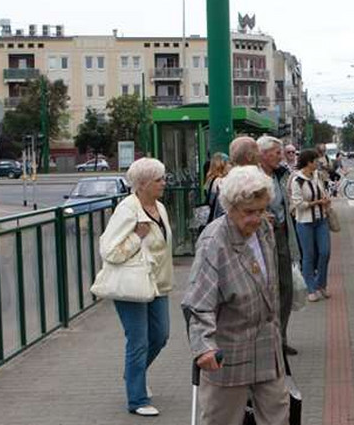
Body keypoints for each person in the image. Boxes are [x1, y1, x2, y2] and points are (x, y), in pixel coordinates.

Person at [183, 165, 289, 425]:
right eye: (249, 212)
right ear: (230, 207)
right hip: (228, 354)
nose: (256, 218)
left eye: (261, 210)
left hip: (267, 348)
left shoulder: (264, 230)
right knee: (222, 420)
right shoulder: (214, 242)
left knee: (279, 416)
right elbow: (198, 303)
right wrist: (204, 348)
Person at [100, 157, 174, 416]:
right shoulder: (127, 209)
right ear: (142, 184)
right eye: (159, 180)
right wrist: (136, 237)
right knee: (138, 341)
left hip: (158, 284)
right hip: (132, 286)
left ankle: (134, 373)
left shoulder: (160, 208)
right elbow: (108, 250)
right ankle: (137, 399)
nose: (164, 183)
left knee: (161, 336)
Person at [258, 135, 298, 355]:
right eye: (276, 152)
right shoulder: (252, 177)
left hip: (281, 234)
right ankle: (269, 340)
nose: (281, 156)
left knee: (286, 288)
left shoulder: (279, 174)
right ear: (263, 154)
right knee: (268, 290)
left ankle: (281, 337)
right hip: (263, 238)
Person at [289, 149, 332, 302]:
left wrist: (326, 200)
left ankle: (321, 284)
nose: (318, 163)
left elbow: (323, 192)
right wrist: (317, 203)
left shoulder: (317, 176)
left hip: (321, 220)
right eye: (316, 161)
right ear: (309, 162)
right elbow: (298, 204)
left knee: (325, 252)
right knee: (309, 255)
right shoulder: (297, 180)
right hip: (305, 222)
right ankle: (311, 288)